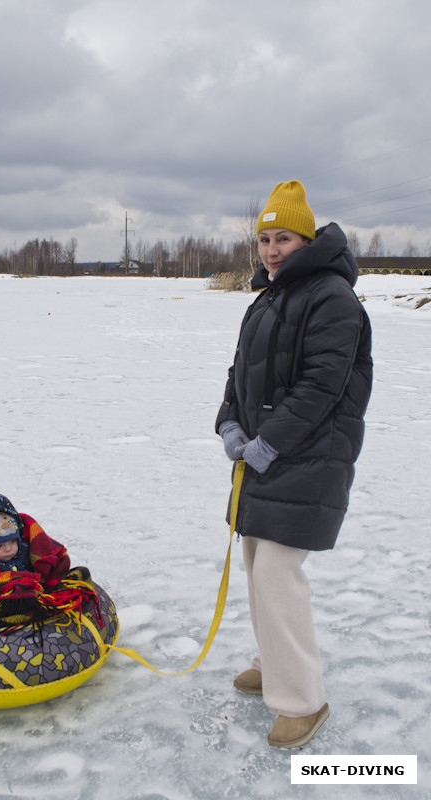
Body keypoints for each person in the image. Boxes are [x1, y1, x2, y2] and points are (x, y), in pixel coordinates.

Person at [216, 180, 373, 749]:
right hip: (264, 461)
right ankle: (273, 662)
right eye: (264, 239)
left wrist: (270, 442)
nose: (272, 249)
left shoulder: (331, 296)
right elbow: (238, 373)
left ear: (306, 238)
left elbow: (322, 385)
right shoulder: (270, 297)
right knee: (258, 567)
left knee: (278, 576)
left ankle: (303, 700)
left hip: (309, 458)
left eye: (283, 238)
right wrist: (231, 425)